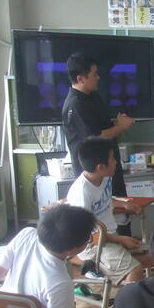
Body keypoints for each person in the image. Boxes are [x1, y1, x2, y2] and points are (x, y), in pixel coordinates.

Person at [62, 52, 135, 234]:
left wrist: (117, 123)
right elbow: (96, 137)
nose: (98, 77)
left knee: (121, 215)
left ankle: (123, 241)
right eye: (94, 74)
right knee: (98, 221)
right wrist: (120, 127)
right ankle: (112, 243)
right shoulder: (76, 104)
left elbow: (104, 127)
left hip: (109, 165)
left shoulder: (93, 96)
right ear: (80, 78)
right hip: (96, 171)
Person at [67, 137, 151, 285]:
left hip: (109, 237)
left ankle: (135, 289)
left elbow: (103, 199)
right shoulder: (81, 193)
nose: (116, 162)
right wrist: (121, 240)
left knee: (153, 256)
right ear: (100, 167)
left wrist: (122, 204)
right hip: (92, 246)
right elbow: (89, 237)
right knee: (135, 271)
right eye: (112, 159)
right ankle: (128, 297)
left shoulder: (104, 177)